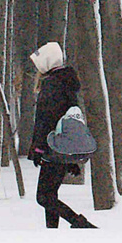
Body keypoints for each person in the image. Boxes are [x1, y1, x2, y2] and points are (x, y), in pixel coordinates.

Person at [28, 41, 96, 229]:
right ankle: (53, 233)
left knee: (44, 197)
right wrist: (71, 157)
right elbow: (70, 119)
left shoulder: (52, 85)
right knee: (50, 195)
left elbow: (45, 119)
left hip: (52, 146)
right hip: (62, 147)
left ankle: (80, 223)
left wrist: (38, 147)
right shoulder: (67, 83)